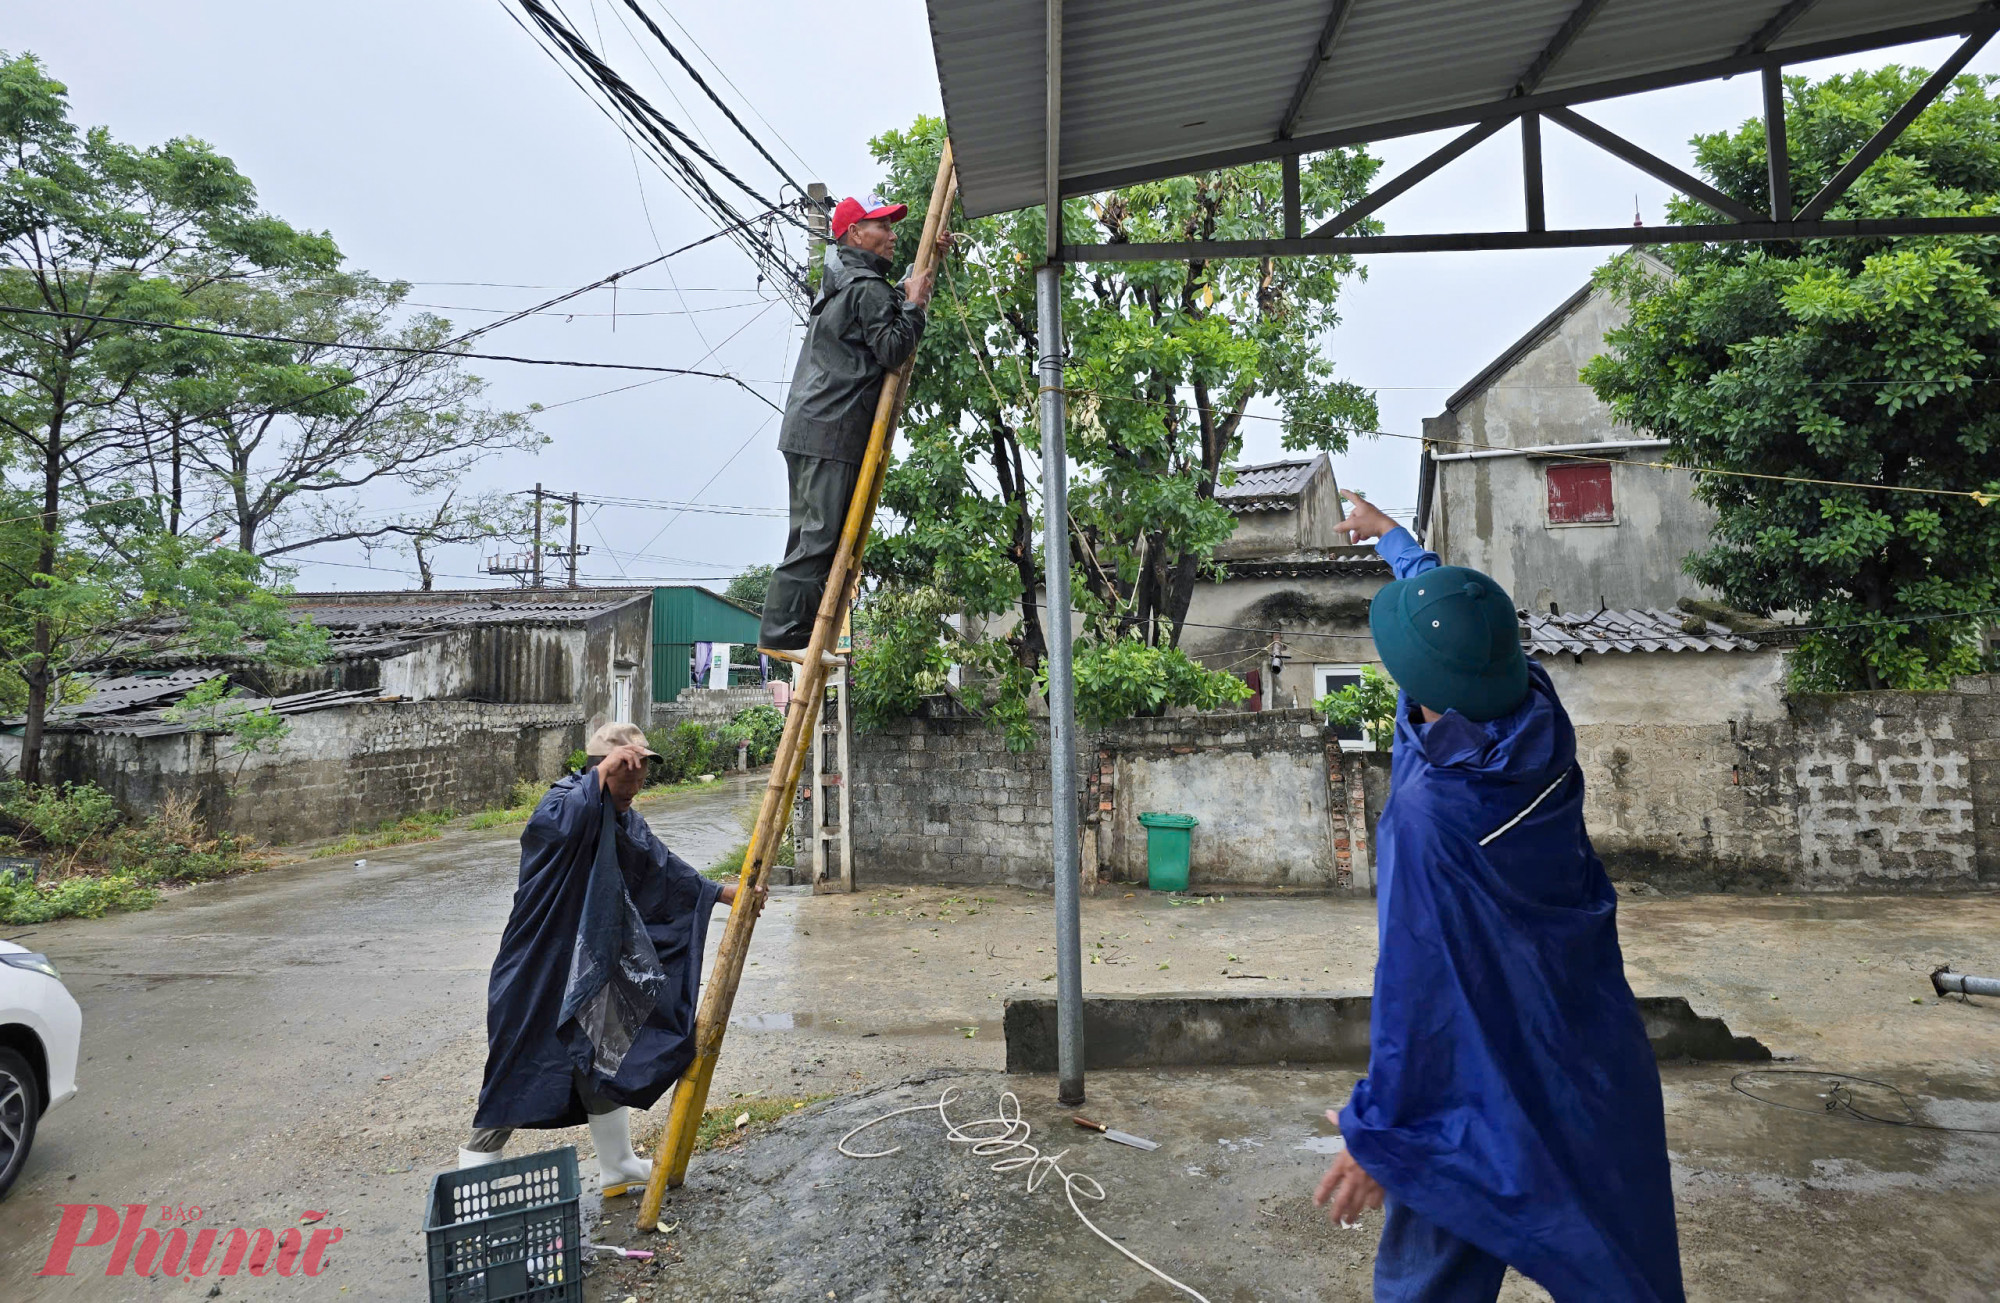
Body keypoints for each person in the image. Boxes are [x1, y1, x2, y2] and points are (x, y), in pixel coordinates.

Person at [1314, 490, 1685, 1303]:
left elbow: (1415, 987)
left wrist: (1380, 1129)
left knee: (1435, 1254)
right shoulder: (1534, 711)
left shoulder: (1431, 816)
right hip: (1578, 1044)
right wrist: (1398, 542)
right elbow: (1462, 626)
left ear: (1415, 676)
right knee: (1615, 1250)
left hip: (1472, 1069)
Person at [460, 722, 762, 1185]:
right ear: (602, 768)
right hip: (541, 965)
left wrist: (722, 893)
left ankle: (617, 1165)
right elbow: (563, 829)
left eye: (641, 779)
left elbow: (660, 867)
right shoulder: (562, 803)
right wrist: (602, 774)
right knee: (520, 1064)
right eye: (628, 776)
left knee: (604, 1051)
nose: (636, 788)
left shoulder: (621, 817)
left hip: (591, 964)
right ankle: (473, 1178)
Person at [759, 193, 946, 650]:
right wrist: (916, 306)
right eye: (882, 226)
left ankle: (792, 632)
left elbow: (879, 311)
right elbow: (892, 349)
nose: (892, 233)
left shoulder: (844, 282)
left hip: (810, 425)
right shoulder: (865, 289)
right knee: (820, 540)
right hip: (832, 429)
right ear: (854, 234)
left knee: (808, 536)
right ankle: (786, 634)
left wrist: (913, 282)